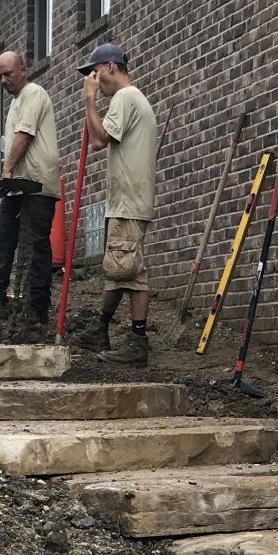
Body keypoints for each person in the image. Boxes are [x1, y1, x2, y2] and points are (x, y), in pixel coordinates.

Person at [0, 50, 59, 337]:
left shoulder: (34, 93)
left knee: (33, 247)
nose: (3, 80)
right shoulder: (17, 101)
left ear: (23, 68)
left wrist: (6, 168)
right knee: (0, 236)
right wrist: (8, 175)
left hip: (37, 185)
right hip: (18, 185)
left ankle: (36, 310)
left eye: (8, 73)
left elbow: (25, 135)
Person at [79, 41, 158, 365]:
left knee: (131, 271)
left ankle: (138, 341)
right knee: (118, 268)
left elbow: (98, 139)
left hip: (128, 200)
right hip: (128, 200)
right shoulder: (134, 99)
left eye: (96, 73)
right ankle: (100, 327)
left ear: (111, 67)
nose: (95, 81)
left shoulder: (125, 97)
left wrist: (89, 101)